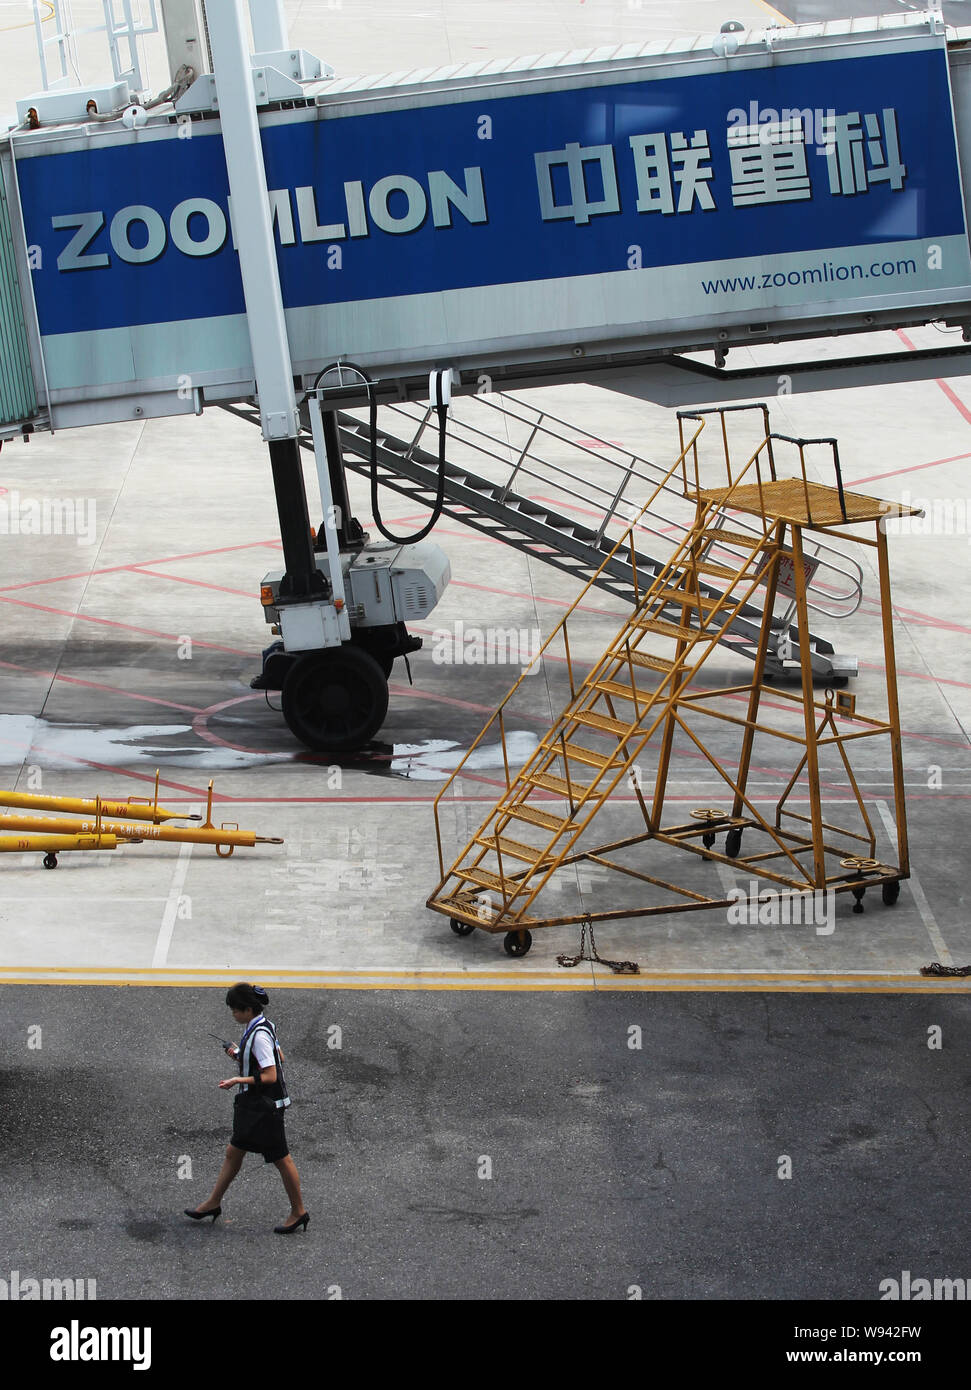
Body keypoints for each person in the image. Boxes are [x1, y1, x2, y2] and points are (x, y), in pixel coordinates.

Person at [184, 983, 309, 1234]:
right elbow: (279, 1057)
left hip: (264, 1108)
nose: (233, 1014)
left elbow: (271, 1074)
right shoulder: (265, 1026)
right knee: (234, 1150)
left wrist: (238, 1079)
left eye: (235, 1010)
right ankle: (213, 1202)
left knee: (281, 1158)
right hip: (255, 1106)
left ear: (248, 1009)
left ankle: (299, 1212)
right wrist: (241, 1054)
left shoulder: (259, 1035)